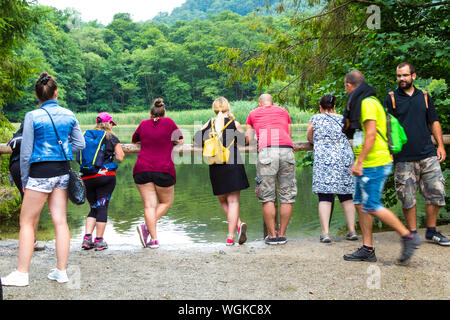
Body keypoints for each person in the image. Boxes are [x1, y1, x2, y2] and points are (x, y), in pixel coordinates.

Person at [1, 72, 85, 287]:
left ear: (37, 95)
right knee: (61, 221)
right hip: (63, 171)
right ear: (56, 93)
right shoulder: (69, 114)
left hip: (40, 172)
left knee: (27, 222)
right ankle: (61, 271)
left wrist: (26, 181)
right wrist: (63, 151)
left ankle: (21, 273)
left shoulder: (32, 116)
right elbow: (80, 144)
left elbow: (26, 152)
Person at [342, 70, 421, 264]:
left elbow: (370, 134)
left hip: (374, 163)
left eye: (346, 88)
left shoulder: (367, 103)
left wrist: (359, 161)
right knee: (360, 204)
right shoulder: (365, 101)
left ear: (349, 86)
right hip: (367, 162)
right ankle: (368, 249)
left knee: (372, 205)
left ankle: (408, 236)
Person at [383, 62, 448, 246]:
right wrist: (389, 150)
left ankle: (432, 231)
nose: (401, 79)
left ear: (414, 76)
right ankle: (412, 234)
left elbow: (433, 121)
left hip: (428, 153)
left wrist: (440, 145)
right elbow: (385, 126)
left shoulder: (425, 96)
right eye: (398, 76)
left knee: (436, 191)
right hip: (403, 157)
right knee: (407, 196)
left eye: (405, 75)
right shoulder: (391, 98)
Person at [194, 97, 249, 246]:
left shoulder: (209, 124)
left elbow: (196, 141)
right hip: (233, 164)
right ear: (227, 108)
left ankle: (238, 225)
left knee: (222, 200)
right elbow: (245, 141)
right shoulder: (234, 123)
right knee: (233, 201)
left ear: (214, 109)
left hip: (216, 165)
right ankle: (231, 236)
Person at [245, 93, 297, 245]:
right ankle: (282, 234)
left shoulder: (253, 113)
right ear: (272, 102)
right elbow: (289, 133)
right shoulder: (283, 111)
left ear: (259, 103)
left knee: (267, 196)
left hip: (267, 150)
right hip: (287, 150)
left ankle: (272, 236)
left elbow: (248, 138)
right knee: (287, 195)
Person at [306, 94, 357, 243]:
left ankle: (325, 233)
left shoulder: (315, 118)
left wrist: (315, 139)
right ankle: (352, 230)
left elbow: (310, 136)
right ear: (334, 107)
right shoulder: (342, 118)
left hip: (325, 159)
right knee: (346, 195)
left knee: (325, 195)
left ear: (320, 107)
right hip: (344, 157)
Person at [134, 98, 184, 249]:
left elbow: (135, 140)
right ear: (164, 112)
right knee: (166, 202)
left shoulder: (143, 124)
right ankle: (146, 228)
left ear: (151, 114)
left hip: (142, 168)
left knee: (149, 206)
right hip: (163, 169)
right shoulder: (169, 122)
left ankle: (154, 239)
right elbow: (180, 140)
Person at [80, 112, 125, 251]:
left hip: (87, 177)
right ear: (110, 123)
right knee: (102, 206)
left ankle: (87, 239)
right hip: (105, 177)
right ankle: (99, 240)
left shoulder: (86, 136)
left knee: (93, 207)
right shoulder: (111, 137)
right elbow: (120, 157)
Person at [7, 123, 46, 252]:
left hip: (15, 167)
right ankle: (30, 240)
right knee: (33, 204)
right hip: (29, 167)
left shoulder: (19, 134)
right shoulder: (38, 134)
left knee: (27, 201)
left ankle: (27, 239)